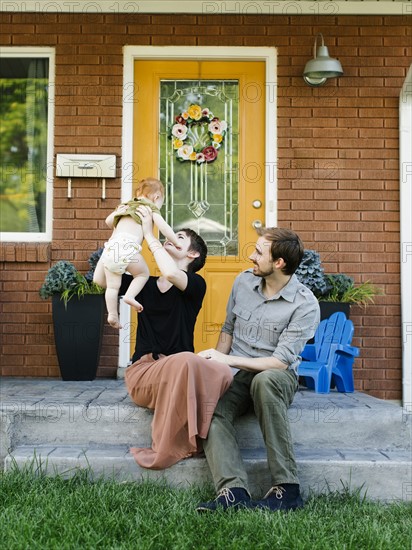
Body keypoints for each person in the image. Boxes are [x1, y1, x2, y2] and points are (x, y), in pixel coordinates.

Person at [196, 227, 320, 512]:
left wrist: (227, 361)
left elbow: (279, 362)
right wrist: (216, 369)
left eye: (259, 252)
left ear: (279, 263)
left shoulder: (305, 304)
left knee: (264, 381)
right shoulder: (242, 282)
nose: (251, 256)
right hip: (238, 373)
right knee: (211, 409)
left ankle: (287, 491)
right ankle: (233, 493)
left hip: (276, 376)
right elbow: (227, 330)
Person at [122, 204, 234, 470]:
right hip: (144, 375)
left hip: (180, 374)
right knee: (187, 360)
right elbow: (102, 280)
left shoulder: (195, 284)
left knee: (223, 373)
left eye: (179, 238)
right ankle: (172, 446)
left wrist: (151, 235)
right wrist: (126, 235)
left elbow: (172, 274)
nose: (169, 237)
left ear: (192, 254)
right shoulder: (144, 284)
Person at [93, 177, 180, 329]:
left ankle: (112, 314)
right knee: (142, 274)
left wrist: (116, 214)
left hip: (111, 249)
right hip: (129, 249)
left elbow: (108, 222)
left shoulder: (125, 206)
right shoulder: (149, 207)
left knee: (112, 287)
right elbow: (164, 227)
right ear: (156, 197)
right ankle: (130, 296)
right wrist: (176, 242)